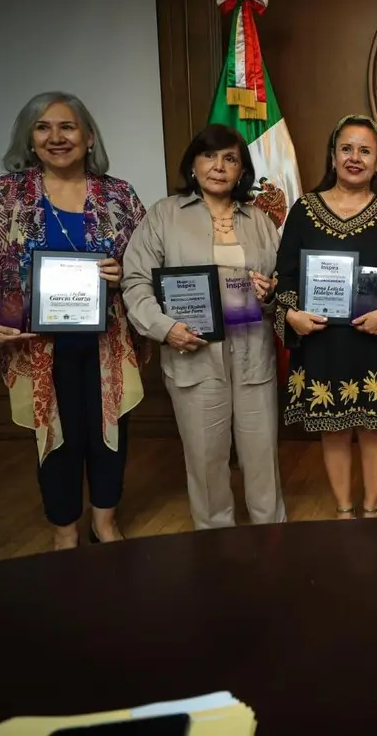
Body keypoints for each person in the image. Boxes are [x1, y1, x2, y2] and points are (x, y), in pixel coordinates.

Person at [0, 91, 146, 550]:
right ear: (29, 140)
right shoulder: (3, 196)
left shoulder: (119, 196)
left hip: (108, 343)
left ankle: (105, 522)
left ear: (89, 137)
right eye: (43, 127)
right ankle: (64, 530)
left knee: (109, 433)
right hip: (37, 347)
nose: (56, 137)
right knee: (57, 439)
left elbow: (150, 265)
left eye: (67, 126)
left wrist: (124, 272)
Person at [121, 124, 286, 530]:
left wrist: (272, 290)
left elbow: (283, 280)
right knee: (205, 457)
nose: (219, 166)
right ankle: (214, 539)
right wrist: (163, 327)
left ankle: (275, 537)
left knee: (262, 454)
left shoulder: (260, 221)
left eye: (230, 158)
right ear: (193, 164)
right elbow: (135, 279)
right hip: (192, 351)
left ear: (241, 170)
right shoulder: (164, 215)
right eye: (209, 156)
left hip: (252, 352)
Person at [273, 114, 377, 519]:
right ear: (333, 155)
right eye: (347, 148)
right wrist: (292, 316)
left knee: (374, 428)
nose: (354, 157)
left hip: (376, 336)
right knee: (333, 426)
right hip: (321, 338)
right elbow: (283, 276)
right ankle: (343, 510)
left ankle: (372, 509)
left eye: (365, 151)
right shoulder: (304, 210)